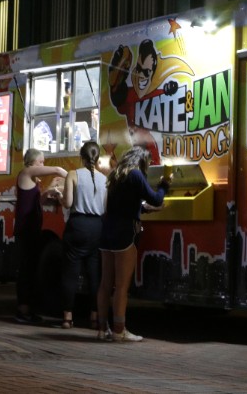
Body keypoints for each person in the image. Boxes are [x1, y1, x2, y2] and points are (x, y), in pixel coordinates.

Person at [96, 145, 171, 342]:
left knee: (105, 283)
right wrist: (164, 185)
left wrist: (145, 210)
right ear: (142, 161)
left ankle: (102, 329)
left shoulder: (115, 175)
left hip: (106, 232)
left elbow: (122, 204)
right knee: (122, 286)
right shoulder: (136, 174)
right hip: (125, 233)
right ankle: (120, 331)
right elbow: (155, 198)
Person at [58, 141, 107, 329]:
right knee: (95, 275)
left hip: (77, 226)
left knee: (70, 274)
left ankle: (67, 318)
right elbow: (105, 208)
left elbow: (68, 203)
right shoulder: (105, 179)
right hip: (97, 227)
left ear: (81, 157)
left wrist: (59, 197)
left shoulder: (73, 174)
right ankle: (94, 317)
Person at [14, 148, 66, 323]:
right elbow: (57, 170)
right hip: (26, 229)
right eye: (41, 162)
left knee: (31, 268)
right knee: (26, 269)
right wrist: (73, 178)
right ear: (33, 162)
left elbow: (38, 202)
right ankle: (23, 311)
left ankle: (28, 308)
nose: (43, 165)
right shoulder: (26, 173)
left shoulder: (33, 180)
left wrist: (49, 190)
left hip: (32, 228)